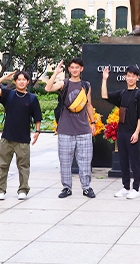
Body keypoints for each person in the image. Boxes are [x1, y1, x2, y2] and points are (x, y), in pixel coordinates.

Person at [45, 58, 96, 199]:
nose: (74, 70)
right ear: (69, 69)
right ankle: (66, 188)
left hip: (83, 130)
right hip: (65, 130)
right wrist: (56, 73)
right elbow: (48, 88)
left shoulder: (86, 85)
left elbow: (88, 105)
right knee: (65, 161)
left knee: (85, 161)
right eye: (72, 67)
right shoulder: (64, 83)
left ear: (81, 69)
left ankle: (86, 188)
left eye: (77, 67)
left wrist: (93, 122)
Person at [0, 70, 41, 201]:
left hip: (23, 139)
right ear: (15, 81)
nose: (21, 81)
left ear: (28, 82)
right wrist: (4, 78)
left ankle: (23, 189)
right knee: (3, 165)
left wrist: (37, 132)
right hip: (7, 138)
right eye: (19, 79)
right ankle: (0, 189)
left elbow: (37, 117)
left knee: (23, 166)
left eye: (24, 79)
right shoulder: (8, 95)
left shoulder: (32, 98)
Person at [101, 65, 140, 199]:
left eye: (133, 76)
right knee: (123, 161)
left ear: (137, 77)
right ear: (125, 77)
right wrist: (105, 79)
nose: (131, 78)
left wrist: (137, 132)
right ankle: (126, 187)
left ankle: (136, 188)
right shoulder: (122, 93)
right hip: (121, 132)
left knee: (135, 161)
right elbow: (104, 95)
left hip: (133, 132)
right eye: (128, 75)